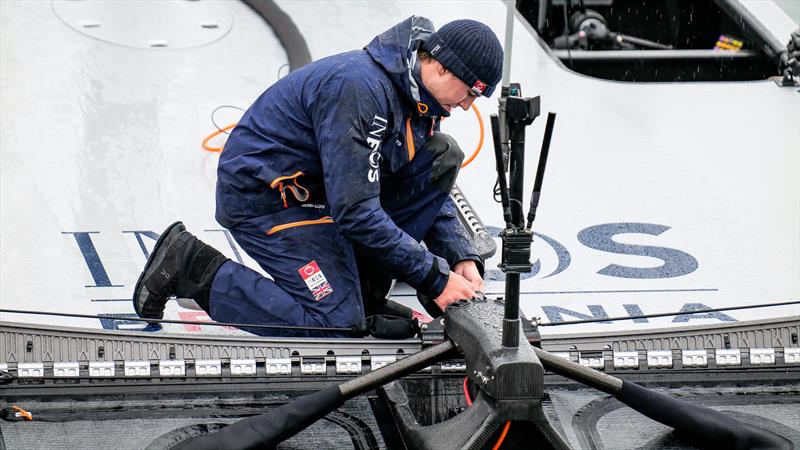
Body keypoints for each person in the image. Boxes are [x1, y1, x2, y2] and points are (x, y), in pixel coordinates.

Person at [133, 16, 503, 337]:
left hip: (324, 193)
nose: (468, 105)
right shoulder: (361, 90)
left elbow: (420, 185)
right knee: (337, 322)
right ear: (441, 66)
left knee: (443, 155)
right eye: (470, 92)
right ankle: (190, 265)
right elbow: (355, 212)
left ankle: (364, 297)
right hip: (269, 201)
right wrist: (433, 279)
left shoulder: (419, 96)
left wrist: (459, 257)